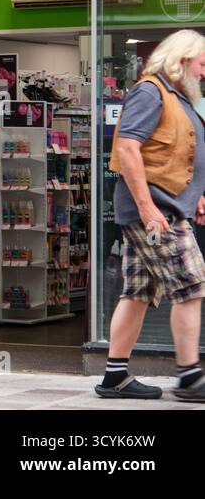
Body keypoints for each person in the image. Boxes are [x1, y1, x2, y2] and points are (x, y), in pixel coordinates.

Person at [98, 30, 205, 401]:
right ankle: (190, 377)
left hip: (163, 208)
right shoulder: (150, 91)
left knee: (138, 291)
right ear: (181, 59)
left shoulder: (176, 96)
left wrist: (195, 195)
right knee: (191, 286)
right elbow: (127, 148)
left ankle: (114, 376)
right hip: (156, 214)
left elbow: (177, 155)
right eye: (201, 63)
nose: (203, 72)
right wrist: (148, 209)